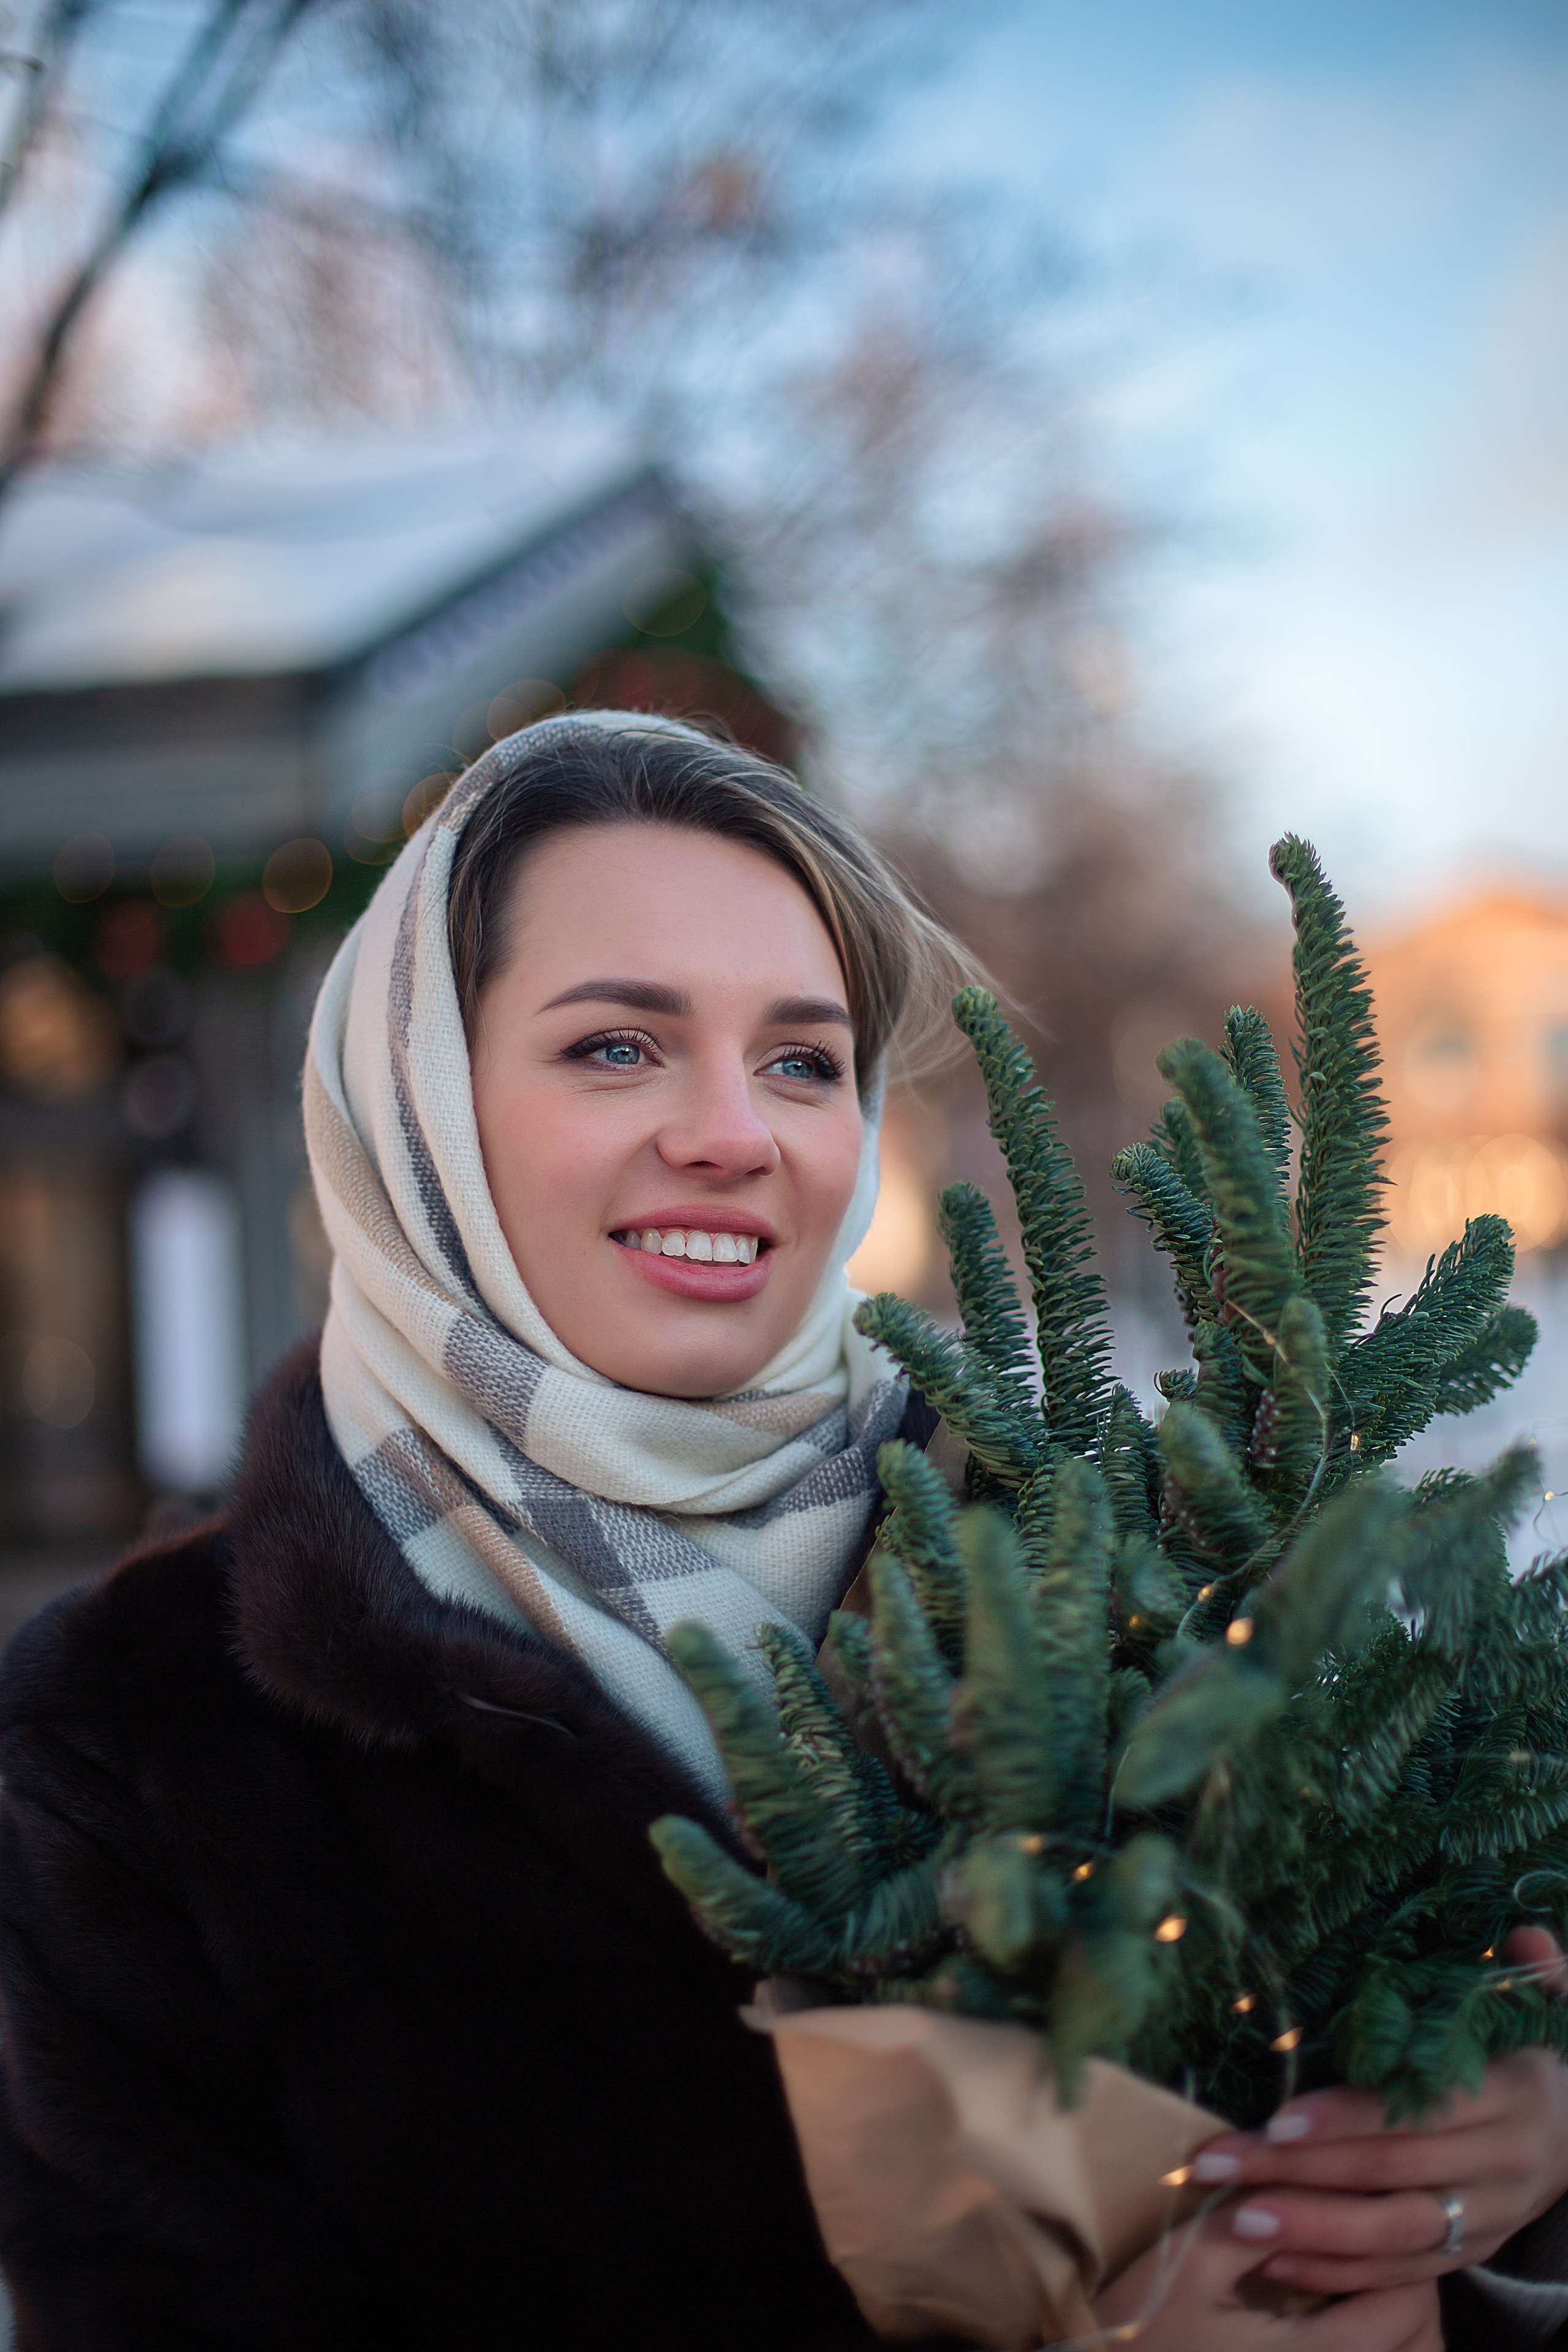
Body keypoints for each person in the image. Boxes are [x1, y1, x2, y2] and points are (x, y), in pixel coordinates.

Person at [0, 710, 1562, 2350]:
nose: (734, 1134)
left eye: (803, 1062)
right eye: (618, 1046)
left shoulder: (1145, 1573)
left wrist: (1508, 2140)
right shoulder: (133, 1747)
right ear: (421, 1105)